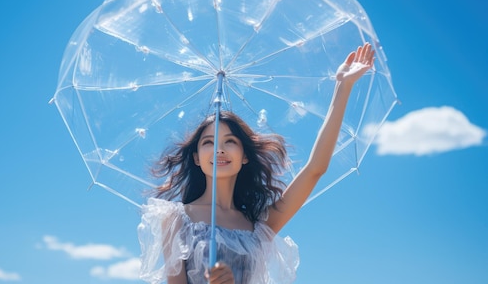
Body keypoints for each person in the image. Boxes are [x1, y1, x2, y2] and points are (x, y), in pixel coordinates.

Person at [138, 44, 376, 284]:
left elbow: (315, 169)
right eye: (209, 142)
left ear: (245, 156)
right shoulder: (177, 218)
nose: (219, 148)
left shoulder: (258, 225)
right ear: (197, 158)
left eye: (230, 141)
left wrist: (342, 87)